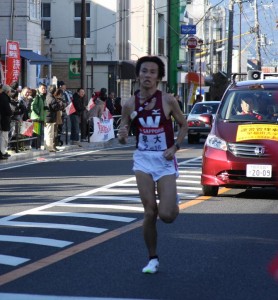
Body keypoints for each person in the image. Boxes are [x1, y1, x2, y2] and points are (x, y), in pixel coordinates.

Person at [117, 56, 187, 274]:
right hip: (143, 159)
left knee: (166, 215)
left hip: (164, 160)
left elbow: (184, 125)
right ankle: (152, 258)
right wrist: (122, 135)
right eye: (144, 71)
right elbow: (123, 131)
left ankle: (173, 200)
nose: (147, 75)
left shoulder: (168, 100)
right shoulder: (129, 103)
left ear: (159, 77)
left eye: (152, 72)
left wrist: (175, 147)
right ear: (138, 74)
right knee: (149, 212)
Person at [30, 83, 47, 148]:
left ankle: (37, 146)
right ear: (39, 88)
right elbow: (33, 105)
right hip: (36, 118)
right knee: (36, 133)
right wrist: (38, 112)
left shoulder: (43, 96)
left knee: (39, 133)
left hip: (41, 118)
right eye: (42, 88)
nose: (44, 90)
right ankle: (36, 146)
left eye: (45, 88)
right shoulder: (37, 96)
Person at [0, 85, 13, 159]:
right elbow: (8, 110)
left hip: (3, 120)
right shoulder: (4, 98)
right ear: (8, 91)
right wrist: (11, 113)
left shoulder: (3, 97)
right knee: (4, 137)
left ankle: (3, 152)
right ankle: (2, 152)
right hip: (4, 120)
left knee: (3, 136)